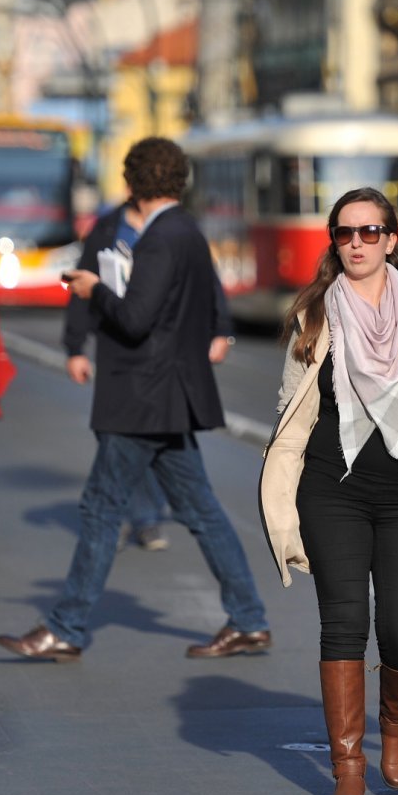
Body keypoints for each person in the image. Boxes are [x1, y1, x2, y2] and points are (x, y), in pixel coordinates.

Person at [0, 137, 271, 662]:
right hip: (169, 395)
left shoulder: (159, 240)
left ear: (133, 183)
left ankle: (66, 626)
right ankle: (249, 618)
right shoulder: (187, 231)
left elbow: (134, 318)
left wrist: (92, 289)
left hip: (143, 397)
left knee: (101, 507)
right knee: (201, 511)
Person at [259, 187, 398, 795]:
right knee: (344, 625)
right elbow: (290, 407)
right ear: (334, 241)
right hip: (333, 490)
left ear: (391, 238)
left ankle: (397, 723)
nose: (357, 243)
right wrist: (285, 485)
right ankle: (347, 766)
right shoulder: (316, 315)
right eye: (345, 233)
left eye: (369, 232)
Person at [62, 192, 238, 555]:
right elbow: (84, 284)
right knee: (132, 440)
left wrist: (221, 329)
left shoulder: (175, 229)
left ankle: (139, 518)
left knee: (146, 441)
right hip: (118, 351)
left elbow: (208, 280)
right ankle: (129, 517)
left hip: (165, 356)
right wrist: (75, 346)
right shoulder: (109, 228)